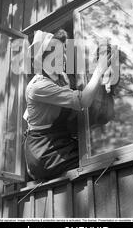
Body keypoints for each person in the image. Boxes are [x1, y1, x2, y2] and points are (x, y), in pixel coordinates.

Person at [23, 29, 115, 181]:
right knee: (94, 157)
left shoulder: (62, 78)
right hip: (44, 152)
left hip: (60, 142)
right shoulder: (38, 87)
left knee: (96, 149)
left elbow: (85, 92)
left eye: (63, 52)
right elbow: (83, 100)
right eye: (58, 54)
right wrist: (100, 69)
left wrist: (101, 69)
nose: (64, 58)